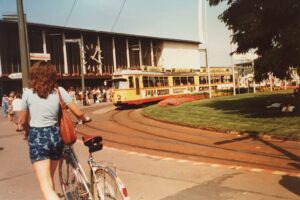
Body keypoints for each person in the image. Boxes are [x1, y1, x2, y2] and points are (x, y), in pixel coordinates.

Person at [19, 61, 91, 200]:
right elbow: (77, 111)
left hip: (38, 138)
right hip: (55, 137)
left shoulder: (27, 94)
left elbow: (22, 120)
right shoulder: (59, 91)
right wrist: (85, 117)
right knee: (49, 179)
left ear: (33, 76)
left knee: (45, 186)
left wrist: (24, 128)